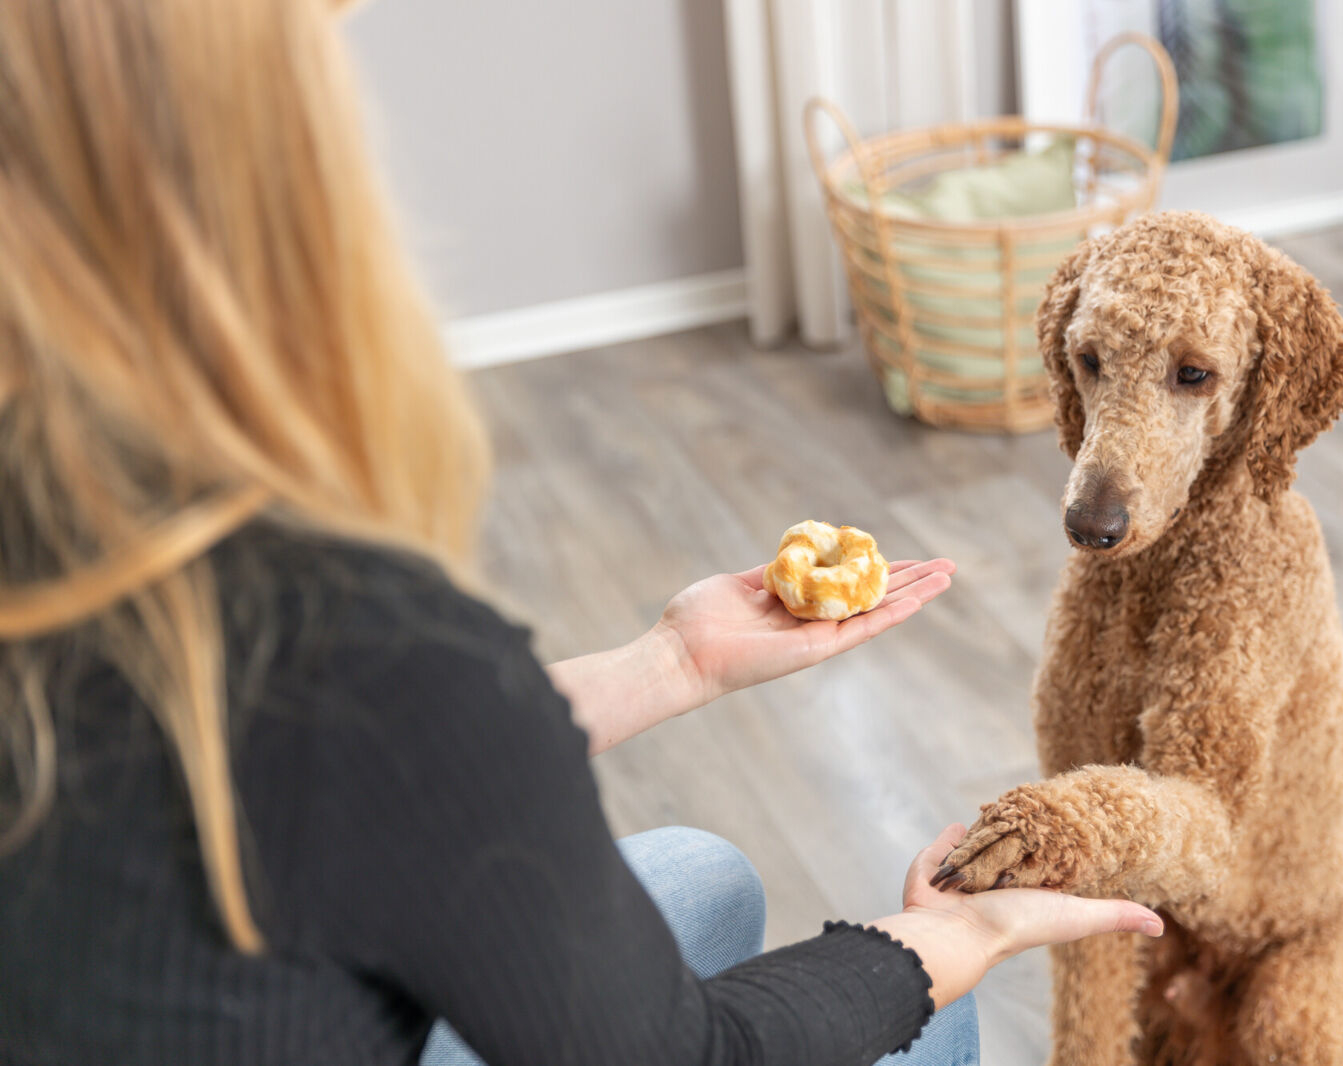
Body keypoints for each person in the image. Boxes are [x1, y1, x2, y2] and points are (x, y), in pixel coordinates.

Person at [0, 2, 1164, 1064]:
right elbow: (686, 1054)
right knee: (929, 1021)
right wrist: (936, 941)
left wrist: (670, 663)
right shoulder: (351, 645)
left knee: (701, 877)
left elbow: (310, 780)